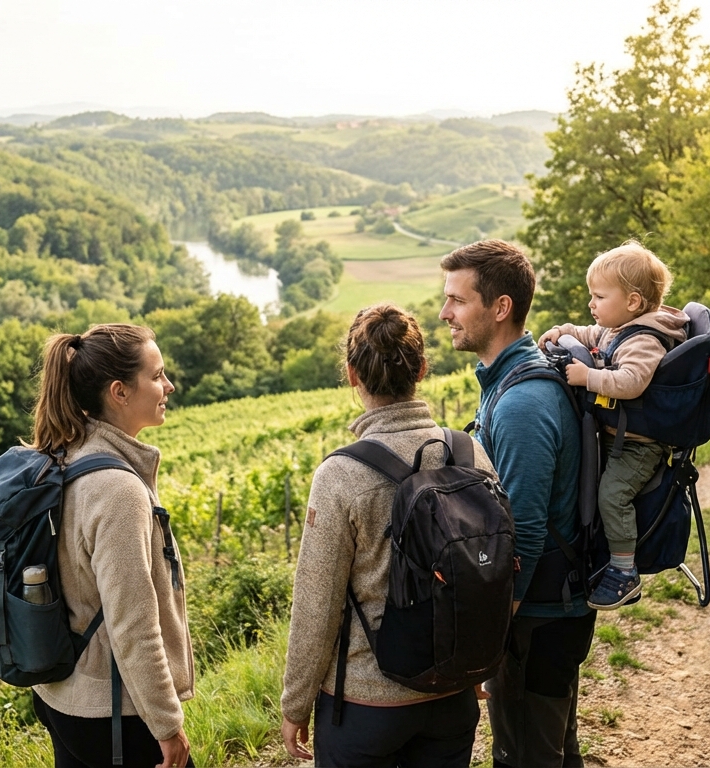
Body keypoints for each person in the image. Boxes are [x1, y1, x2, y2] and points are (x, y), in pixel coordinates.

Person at [280, 303, 497, 768]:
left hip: (364, 706)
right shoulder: (468, 451)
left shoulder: (341, 474)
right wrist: (478, 662)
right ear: (421, 369)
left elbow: (317, 602)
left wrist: (295, 705)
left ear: (353, 375)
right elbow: (492, 568)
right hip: (452, 691)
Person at [438, 240, 594, 767]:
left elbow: (520, 533)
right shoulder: (507, 381)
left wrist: (491, 638)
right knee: (551, 751)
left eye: (458, 300)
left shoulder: (522, 402)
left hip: (536, 619)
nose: (445, 314)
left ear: (500, 307)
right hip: (549, 613)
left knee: (525, 756)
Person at [27, 323, 195, 768]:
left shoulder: (65, 454)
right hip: (113, 711)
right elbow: (133, 625)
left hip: (64, 695)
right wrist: (166, 724)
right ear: (119, 392)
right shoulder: (118, 490)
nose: (169, 385)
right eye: (157, 375)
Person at [537, 240, 688, 609]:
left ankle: (624, 572)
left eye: (599, 297)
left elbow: (631, 382)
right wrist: (562, 331)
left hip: (641, 445)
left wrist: (588, 377)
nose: (592, 305)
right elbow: (592, 335)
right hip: (621, 437)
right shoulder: (617, 327)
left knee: (612, 496)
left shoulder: (645, 340)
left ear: (633, 302)